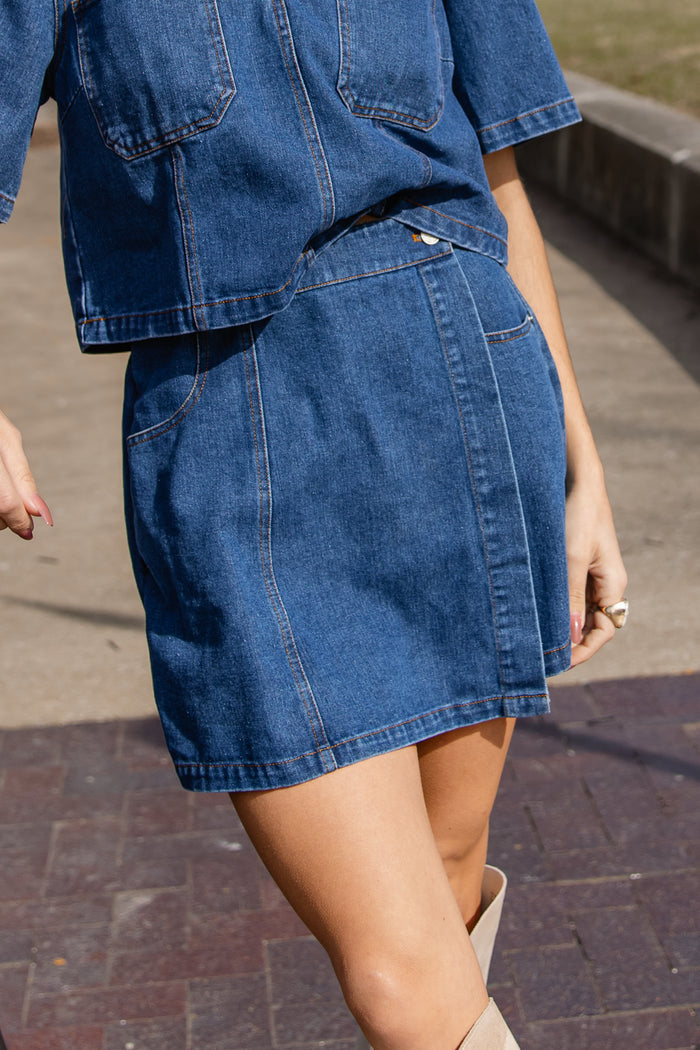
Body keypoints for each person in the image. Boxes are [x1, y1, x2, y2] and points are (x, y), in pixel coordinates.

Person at [0, 2, 628, 1047]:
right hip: (230, 433)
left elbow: (501, 182)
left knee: (445, 873)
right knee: (394, 967)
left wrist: (586, 473)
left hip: (462, 375)